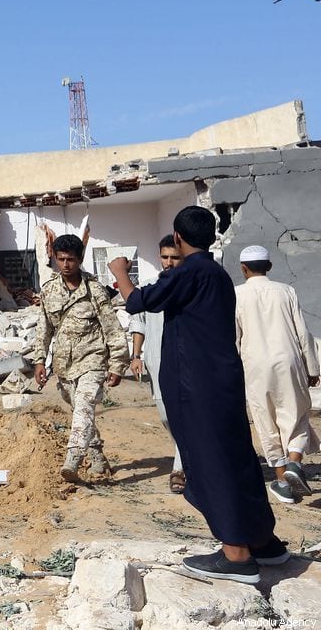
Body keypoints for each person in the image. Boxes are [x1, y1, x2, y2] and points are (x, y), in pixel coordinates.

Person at [109, 207, 285, 585]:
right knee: (237, 457)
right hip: (221, 381)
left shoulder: (191, 271)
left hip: (197, 386)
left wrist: (120, 272)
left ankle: (236, 554)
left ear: (176, 237)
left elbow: (140, 301)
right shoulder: (217, 273)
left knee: (210, 462)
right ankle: (263, 541)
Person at [33, 234, 129, 483]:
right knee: (80, 412)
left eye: (71, 260)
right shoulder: (49, 290)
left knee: (85, 406)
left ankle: (73, 459)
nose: (66, 265)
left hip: (93, 360)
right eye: (61, 259)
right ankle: (97, 456)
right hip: (65, 365)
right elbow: (43, 329)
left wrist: (118, 364)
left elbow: (112, 329)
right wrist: (40, 361)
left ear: (80, 259)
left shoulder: (94, 290)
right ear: (54, 258)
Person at [234, 244, 320, 504]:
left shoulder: (236, 294)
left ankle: (284, 482)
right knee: (295, 414)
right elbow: (302, 332)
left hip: (255, 366)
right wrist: (312, 368)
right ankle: (294, 463)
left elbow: (234, 337)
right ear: (269, 267)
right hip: (289, 360)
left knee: (266, 421)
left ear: (243, 269)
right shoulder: (286, 291)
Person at [128, 235, 186, 494]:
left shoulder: (189, 287)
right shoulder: (150, 286)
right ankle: (186, 454)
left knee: (184, 414)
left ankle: (180, 468)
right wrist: (136, 355)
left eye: (174, 257)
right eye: (165, 257)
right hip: (156, 361)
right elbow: (138, 321)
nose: (169, 262)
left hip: (186, 362)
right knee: (166, 416)